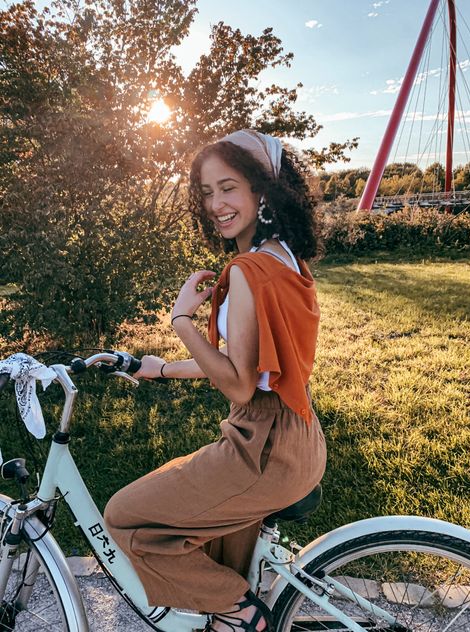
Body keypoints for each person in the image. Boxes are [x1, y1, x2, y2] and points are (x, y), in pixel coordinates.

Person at [104, 129, 327, 632]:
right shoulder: (285, 260)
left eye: (228, 188)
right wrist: (158, 368)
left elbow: (241, 387)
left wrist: (182, 321)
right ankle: (231, 611)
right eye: (207, 192)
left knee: (125, 518)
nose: (216, 204)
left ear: (262, 190)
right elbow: (251, 368)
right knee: (211, 543)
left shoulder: (249, 271)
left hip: (260, 449)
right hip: (297, 438)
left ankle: (242, 612)